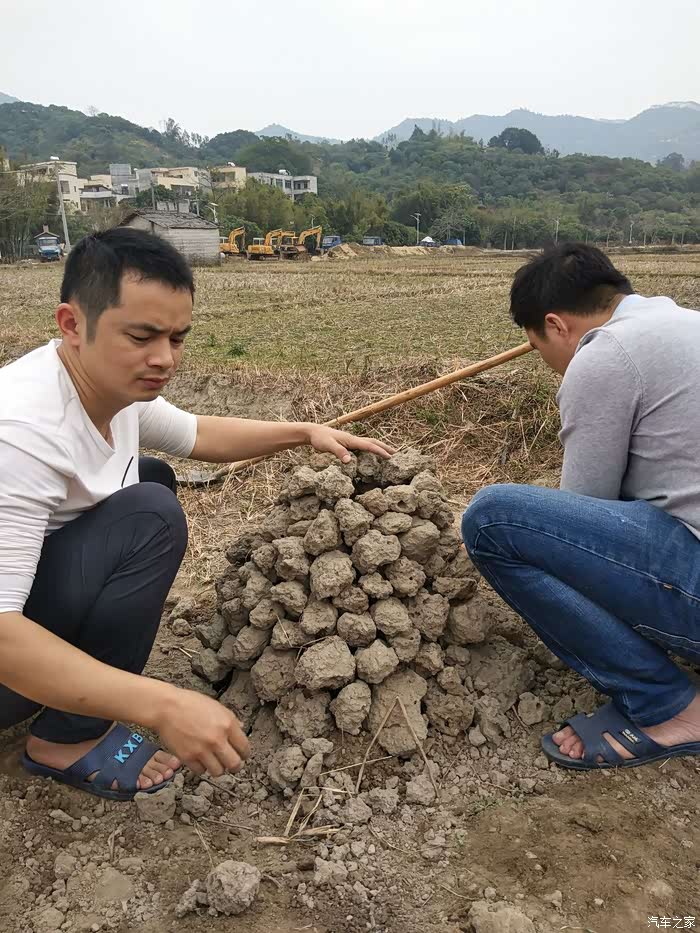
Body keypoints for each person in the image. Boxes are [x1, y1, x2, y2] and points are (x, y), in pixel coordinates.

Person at [0, 227, 393, 801]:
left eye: (177, 338)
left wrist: (305, 432)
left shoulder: (107, 388)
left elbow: (198, 433)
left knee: (150, 479)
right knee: (149, 512)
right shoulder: (23, 432)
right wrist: (163, 705)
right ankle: (66, 738)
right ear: (71, 324)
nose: (164, 359)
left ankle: (75, 702)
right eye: (142, 336)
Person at [461, 242, 700, 771]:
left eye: (537, 347)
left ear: (556, 324)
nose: (549, 366)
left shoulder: (606, 355)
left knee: (493, 519)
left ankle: (667, 705)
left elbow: (584, 517)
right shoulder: (685, 325)